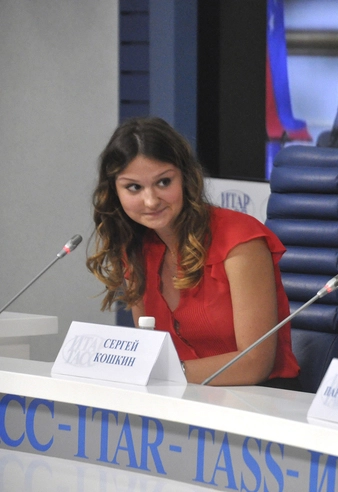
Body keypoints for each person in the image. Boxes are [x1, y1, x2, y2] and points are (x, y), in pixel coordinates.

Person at [86, 117, 300, 388]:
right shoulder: (135, 248)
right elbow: (150, 350)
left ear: (186, 178)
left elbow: (255, 363)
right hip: (180, 397)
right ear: (113, 191)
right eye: (134, 187)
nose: (150, 201)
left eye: (164, 182)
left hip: (260, 398)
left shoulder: (240, 240)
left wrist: (161, 374)